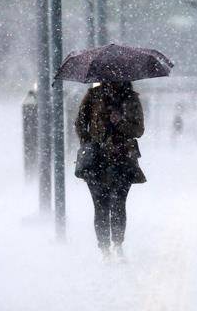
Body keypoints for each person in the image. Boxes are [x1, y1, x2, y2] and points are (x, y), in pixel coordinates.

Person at [75, 81, 145, 260]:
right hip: (96, 160)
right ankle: (104, 248)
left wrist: (120, 122)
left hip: (122, 158)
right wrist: (89, 142)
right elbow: (80, 123)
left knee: (119, 204)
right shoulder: (93, 96)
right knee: (100, 205)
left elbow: (138, 130)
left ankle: (117, 244)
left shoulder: (131, 98)